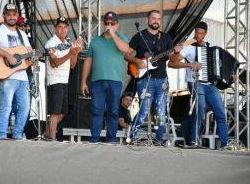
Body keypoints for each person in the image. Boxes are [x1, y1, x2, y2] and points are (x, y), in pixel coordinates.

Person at [168, 21, 233, 149]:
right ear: (194, 32)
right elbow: (172, 63)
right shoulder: (189, 47)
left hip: (210, 85)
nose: (198, 35)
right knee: (200, 112)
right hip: (195, 83)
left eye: (201, 33)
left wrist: (229, 78)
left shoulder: (210, 49)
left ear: (205, 34)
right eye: (197, 32)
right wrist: (190, 64)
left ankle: (224, 144)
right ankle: (194, 141)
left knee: (221, 113)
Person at [125, 10, 178, 142]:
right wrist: (137, 61)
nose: (156, 21)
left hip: (162, 80)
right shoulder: (139, 36)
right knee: (143, 111)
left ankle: (159, 139)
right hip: (144, 80)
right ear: (147, 20)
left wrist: (176, 52)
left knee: (161, 112)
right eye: (153, 18)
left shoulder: (166, 38)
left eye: (159, 19)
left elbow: (173, 59)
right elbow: (127, 54)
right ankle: (134, 137)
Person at [80, 11, 130, 144]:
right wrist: (83, 81)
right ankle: (94, 138)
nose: (109, 25)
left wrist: (113, 34)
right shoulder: (95, 41)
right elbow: (88, 61)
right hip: (97, 81)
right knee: (97, 110)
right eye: (107, 23)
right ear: (103, 24)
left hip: (115, 81)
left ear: (117, 25)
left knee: (113, 111)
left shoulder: (121, 38)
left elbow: (125, 49)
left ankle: (111, 139)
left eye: (112, 23)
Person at [0, 3, 32, 140]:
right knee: (6, 106)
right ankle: (2, 134)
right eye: (9, 14)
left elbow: (29, 53)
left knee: (25, 108)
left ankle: (18, 134)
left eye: (14, 14)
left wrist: (41, 55)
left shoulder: (22, 34)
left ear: (17, 16)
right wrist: (7, 55)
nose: (11, 17)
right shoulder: (0, 30)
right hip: (7, 75)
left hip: (23, 77)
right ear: (4, 16)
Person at [44, 17, 83, 140]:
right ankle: (52, 139)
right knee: (55, 112)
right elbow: (54, 63)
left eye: (65, 27)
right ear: (55, 29)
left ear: (68, 29)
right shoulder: (51, 43)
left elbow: (72, 65)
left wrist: (75, 52)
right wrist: (70, 53)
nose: (62, 30)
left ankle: (47, 134)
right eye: (60, 27)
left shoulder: (66, 44)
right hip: (54, 81)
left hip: (64, 81)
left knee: (62, 113)